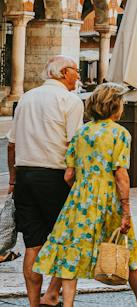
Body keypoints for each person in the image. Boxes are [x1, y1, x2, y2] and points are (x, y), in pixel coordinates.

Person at [33, 83, 137, 307]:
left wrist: (84, 189)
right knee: (126, 246)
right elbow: (120, 175)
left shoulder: (82, 132)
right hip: (109, 200)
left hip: (80, 198)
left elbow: (68, 175)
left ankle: (58, 298)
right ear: (115, 106)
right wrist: (125, 209)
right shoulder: (119, 134)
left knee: (72, 248)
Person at [7, 56, 84, 307]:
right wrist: (76, 180)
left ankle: (36, 302)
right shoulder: (70, 101)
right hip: (56, 177)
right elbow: (75, 145)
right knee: (65, 240)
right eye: (77, 71)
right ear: (64, 72)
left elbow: (12, 143)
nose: (79, 76)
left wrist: (13, 179)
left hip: (25, 176)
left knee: (33, 243)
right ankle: (53, 295)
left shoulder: (27, 98)